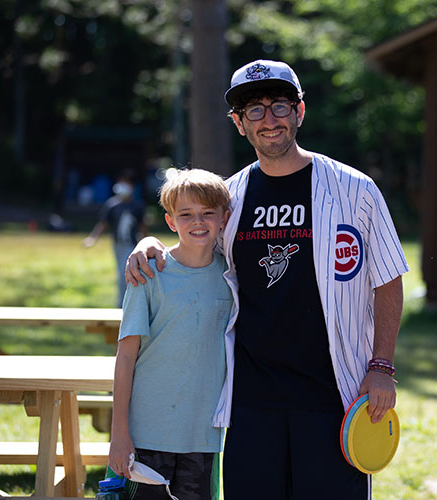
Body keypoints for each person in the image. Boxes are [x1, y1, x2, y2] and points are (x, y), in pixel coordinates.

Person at [125, 59, 409, 499]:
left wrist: (382, 366)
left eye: (278, 105)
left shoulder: (355, 190)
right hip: (251, 399)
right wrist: (149, 243)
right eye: (253, 110)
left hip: (335, 392)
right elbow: (193, 244)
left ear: (300, 111)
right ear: (239, 124)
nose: (269, 119)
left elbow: (388, 279)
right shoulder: (230, 198)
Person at [109, 168, 233, 500]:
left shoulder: (232, 276)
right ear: (170, 221)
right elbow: (125, 358)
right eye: (186, 214)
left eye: (208, 213)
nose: (198, 221)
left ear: (225, 217)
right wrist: (119, 432)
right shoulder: (148, 273)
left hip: (203, 437)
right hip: (147, 435)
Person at [83, 171, 148, 307]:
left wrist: (146, 244)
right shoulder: (112, 205)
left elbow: (143, 227)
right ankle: (123, 304)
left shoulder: (137, 206)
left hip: (131, 245)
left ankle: (125, 305)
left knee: (127, 274)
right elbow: (103, 224)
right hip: (118, 245)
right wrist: (92, 238)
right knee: (122, 274)